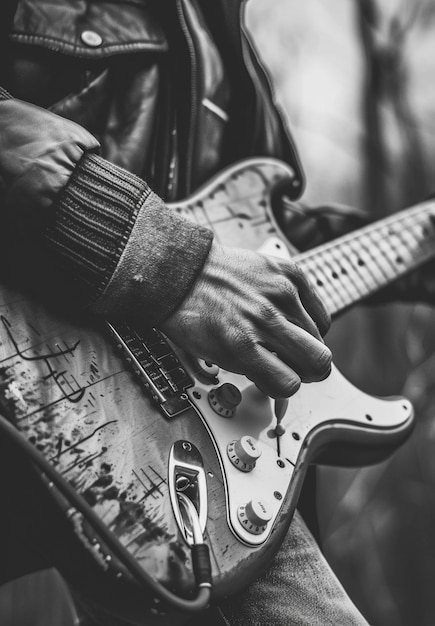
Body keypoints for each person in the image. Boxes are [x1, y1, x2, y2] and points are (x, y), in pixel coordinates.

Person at [0, 1, 434, 625]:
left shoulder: (219, 30)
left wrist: (417, 245)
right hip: (51, 359)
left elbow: (260, 248)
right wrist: (164, 261)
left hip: (196, 446)